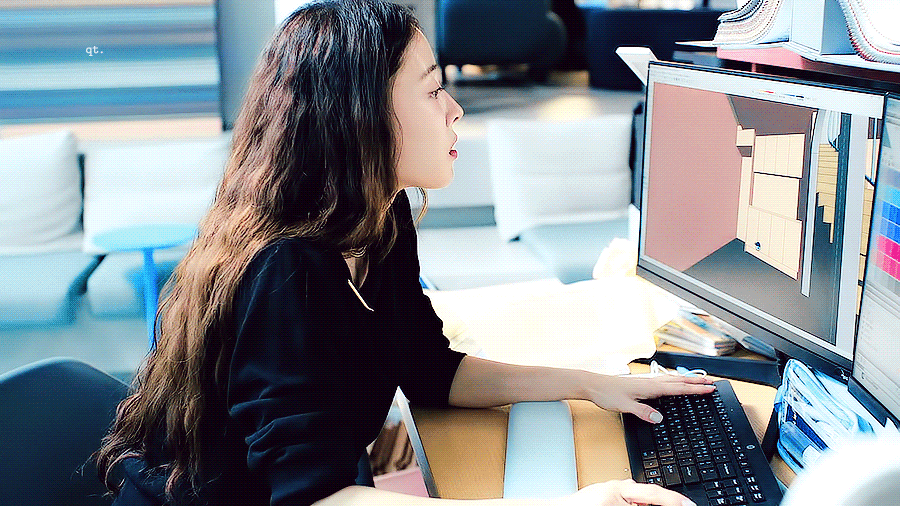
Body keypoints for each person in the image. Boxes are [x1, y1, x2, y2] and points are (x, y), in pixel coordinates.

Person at [96, 1, 713, 505]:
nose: (455, 110)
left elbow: (433, 371)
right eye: (433, 91)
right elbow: (314, 497)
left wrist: (593, 385)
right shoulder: (287, 271)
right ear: (359, 116)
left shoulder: (380, 219)